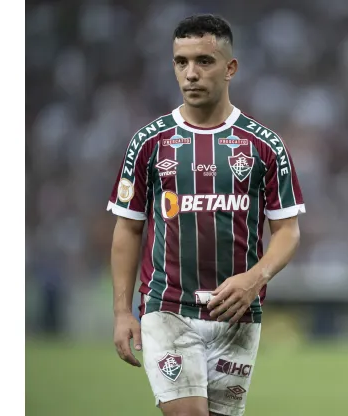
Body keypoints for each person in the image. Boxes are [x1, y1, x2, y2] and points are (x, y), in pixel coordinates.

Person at [106, 14, 305, 416]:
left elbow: (287, 231)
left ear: (230, 68)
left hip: (238, 314)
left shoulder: (263, 145)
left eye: (204, 61)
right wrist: (123, 312)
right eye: (181, 62)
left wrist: (255, 278)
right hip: (167, 307)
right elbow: (128, 229)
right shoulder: (150, 142)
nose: (190, 73)